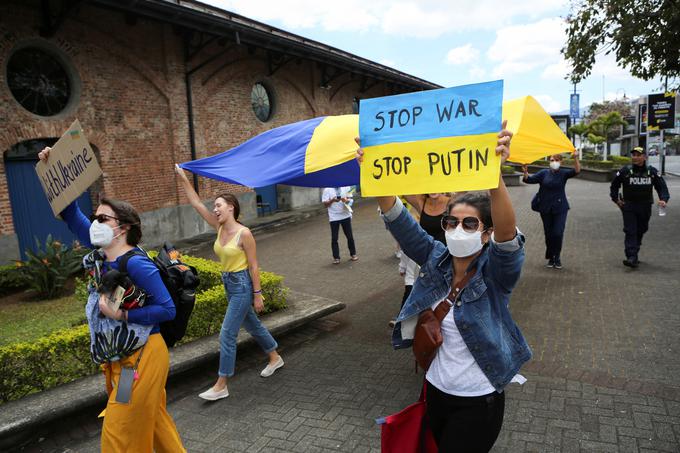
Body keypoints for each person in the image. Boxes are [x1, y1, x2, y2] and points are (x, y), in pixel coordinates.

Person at [356, 121, 531, 452]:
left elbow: (507, 237)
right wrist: (375, 171)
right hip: (434, 390)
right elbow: (399, 220)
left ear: (485, 232)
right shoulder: (435, 258)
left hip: (478, 401)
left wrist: (494, 176)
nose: (456, 229)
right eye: (451, 222)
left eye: (469, 223)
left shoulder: (496, 273)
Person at [37, 148, 186, 453]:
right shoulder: (102, 252)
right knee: (156, 422)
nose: (95, 223)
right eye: (95, 218)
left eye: (103, 218)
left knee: (118, 431)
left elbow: (167, 309)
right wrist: (52, 165)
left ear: (124, 227)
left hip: (142, 359)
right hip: (123, 358)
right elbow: (69, 213)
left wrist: (122, 317)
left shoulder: (135, 263)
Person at [175, 166, 283, 401]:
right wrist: (183, 177)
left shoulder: (244, 233)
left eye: (219, 206)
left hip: (243, 285)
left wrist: (257, 294)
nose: (215, 210)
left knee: (227, 334)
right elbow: (195, 204)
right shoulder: (219, 226)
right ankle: (275, 356)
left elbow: (254, 265)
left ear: (231, 207)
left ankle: (222, 383)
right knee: (253, 325)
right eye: (214, 206)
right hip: (229, 284)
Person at [610, 146, 669, 268]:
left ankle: (634, 252)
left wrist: (663, 199)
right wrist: (616, 199)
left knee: (641, 229)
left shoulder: (651, 171)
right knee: (630, 230)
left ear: (645, 157)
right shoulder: (625, 171)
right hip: (629, 206)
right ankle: (631, 257)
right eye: (633, 155)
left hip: (645, 205)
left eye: (638, 155)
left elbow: (661, 187)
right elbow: (614, 186)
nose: (635, 157)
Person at [522, 152, 580, 269]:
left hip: (560, 208)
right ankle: (551, 257)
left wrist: (575, 158)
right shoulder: (544, 173)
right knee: (549, 234)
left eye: (556, 160)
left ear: (560, 162)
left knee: (557, 233)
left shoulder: (563, 173)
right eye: (552, 160)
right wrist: (525, 172)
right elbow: (529, 180)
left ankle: (557, 256)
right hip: (546, 208)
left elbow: (576, 171)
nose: (553, 162)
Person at [322, 186, 358, 264]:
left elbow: (351, 201)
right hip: (334, 217)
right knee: (334, 238)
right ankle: (336, 258)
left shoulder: (346, 186)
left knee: (349, 236)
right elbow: (325, 205)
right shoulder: (327, 189)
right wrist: (332, 200)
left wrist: (346, 201)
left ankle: (353, 254)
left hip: (345, 215)